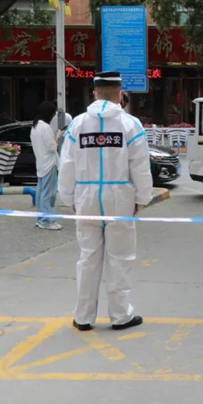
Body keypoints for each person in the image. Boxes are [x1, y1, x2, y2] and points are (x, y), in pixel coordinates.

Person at [58, 71, 152, 332]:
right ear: (120, 95)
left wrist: (68, 197)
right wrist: (142, 198)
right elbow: (140, 166)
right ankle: (120, 316)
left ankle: (83, 317)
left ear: (94, 94)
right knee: (120, 258)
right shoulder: (131, 125)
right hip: (120, 197)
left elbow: (67, 164)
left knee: (88, 257)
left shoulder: (78, 125)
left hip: (85, 196)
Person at [31, 102, 62, 231]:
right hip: (50, 164)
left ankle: (40, 219)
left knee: (41, 193)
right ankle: (48, 221)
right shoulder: (46, 128)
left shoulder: (35, 127)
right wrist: (58, 137)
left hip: (40, 163)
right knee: (49, 194)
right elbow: (52, 147)